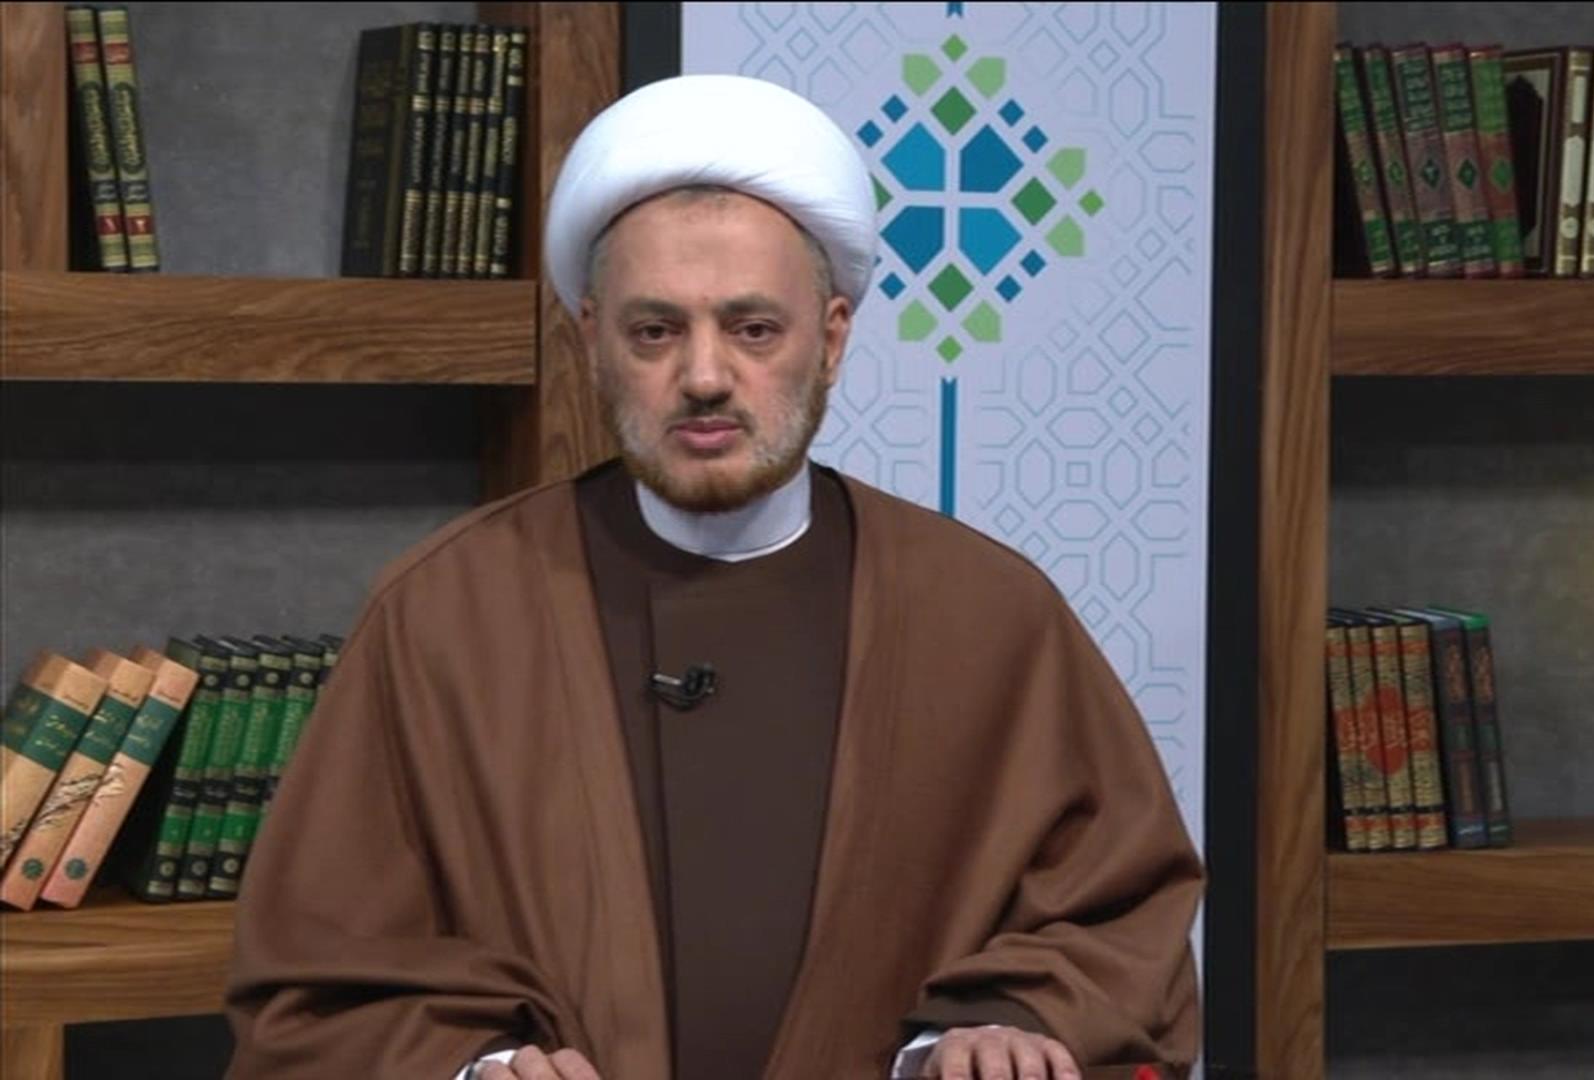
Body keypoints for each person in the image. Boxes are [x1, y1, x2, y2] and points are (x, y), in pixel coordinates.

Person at [224, 74, 1202, 1080]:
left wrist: (1000, 1023)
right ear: (591, 340)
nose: (702, 376)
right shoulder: (443, 611)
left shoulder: (987, 611)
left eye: (752, 328)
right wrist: (478, 1069)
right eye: (655, 331)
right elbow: (319, 979)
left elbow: (1115, 913)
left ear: (832, 338)